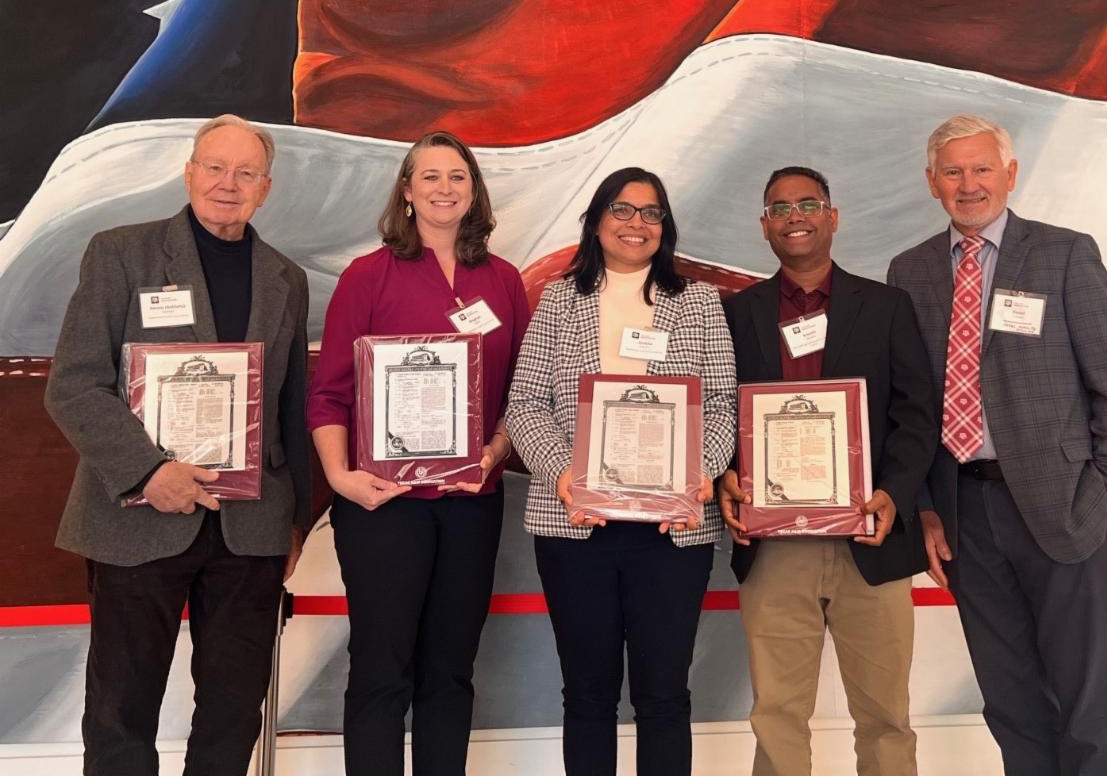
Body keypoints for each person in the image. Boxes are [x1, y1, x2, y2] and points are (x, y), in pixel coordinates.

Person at [44, 114, 310, 776]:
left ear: (266, 188)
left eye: (246, 172)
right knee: (120, 710)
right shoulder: (121, 253)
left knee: (232, 710)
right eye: (216, 167)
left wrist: (298, 520)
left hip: (251, 529)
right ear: (189, 172)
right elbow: (74, 385)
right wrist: (148, 472)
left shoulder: (285, 277)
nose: (229, 184)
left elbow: (290, 407)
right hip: (138, 518)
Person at [888, 114, 1107, 776]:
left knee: (1088, 704)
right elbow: (907, 405)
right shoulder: (909, 271)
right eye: (953, 171)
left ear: (1010, 174)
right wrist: (925, 510)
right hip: (964, 516)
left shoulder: (1064, 253)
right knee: (1010, 702)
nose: (968, 184)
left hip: (1066, 508)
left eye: (981, 168)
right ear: (931, 182)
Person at [307, 130, 530, 776]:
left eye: (457, 177)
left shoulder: (504, 281)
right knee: (381, 670)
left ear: (475, 191)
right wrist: (341, 478)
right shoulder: (367, 276)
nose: (443, 188)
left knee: (451, 672)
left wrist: (493, 451)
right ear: (406, 192)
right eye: (428, 177)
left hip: (470, 503)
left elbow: (523, 392)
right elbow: (329, 395)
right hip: (383, 506)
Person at [506, 167, 737, 776]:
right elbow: (526, 402)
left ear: (666, 225)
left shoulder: (699, 303)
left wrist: (699, 473)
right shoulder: (560, 298)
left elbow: (721, 405)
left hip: (671, 532)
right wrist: (562, 474)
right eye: (623, 209)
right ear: (597, 220)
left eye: (651, 212)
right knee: (587, 695)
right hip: (576, 525)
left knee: (664, 697)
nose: (637, 224)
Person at [718, 166, 936, 776]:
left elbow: (917, 415)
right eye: (780, 207)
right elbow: (716, 412)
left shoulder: (889, 307)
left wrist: (894, 492)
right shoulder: (734, 315)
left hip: (871, 535)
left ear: (832, 216)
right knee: (778, 714)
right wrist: (726, 476)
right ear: (765, 226)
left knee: (887, 717)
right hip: (774, 545)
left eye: (808, 203)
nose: (795, 216)